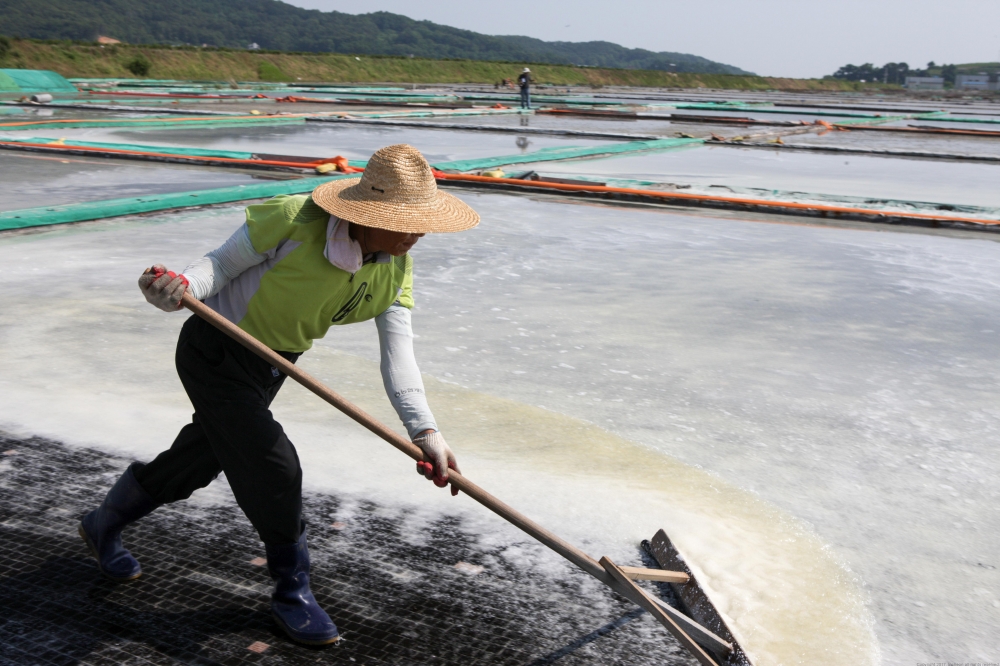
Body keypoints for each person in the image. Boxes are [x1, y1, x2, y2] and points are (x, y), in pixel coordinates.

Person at [77, 144, 480, 646]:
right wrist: (180, 288)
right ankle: (293, 589)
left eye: (424, 223)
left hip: (274, 367)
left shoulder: (395, 266)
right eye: (407, 222)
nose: (417, 234)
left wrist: (426, 432)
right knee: (274, 464)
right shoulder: (295, 221)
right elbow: (218, 267)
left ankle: (104, 522)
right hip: (217, 350)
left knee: (201, 457)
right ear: (368, 213)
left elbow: (399, 355)